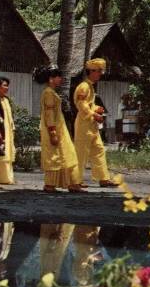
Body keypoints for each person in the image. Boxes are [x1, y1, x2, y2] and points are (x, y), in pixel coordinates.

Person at [36, 67, 83, 193]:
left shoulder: (51, 92)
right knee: (55, 156)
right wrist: (52, 132)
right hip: (54, 129)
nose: (61, 79)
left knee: (66, 154)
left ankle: (72, 183)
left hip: (59, 128)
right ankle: (50, 185)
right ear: (51, 79)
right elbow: (49, 113)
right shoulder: (48, 93)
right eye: (58, 76)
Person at [73, 58, 119, 188]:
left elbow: (88, 105)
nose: (100, 74)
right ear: (91, 71)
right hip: (83, 124)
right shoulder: (84, 87)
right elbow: (81, 105)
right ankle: (75, 181)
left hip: (91, 125)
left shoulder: (90, 87)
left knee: (98, 149)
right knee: (81, 153)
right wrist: (94, 114)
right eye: (98, 71)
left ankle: (103, 178)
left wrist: (96, 109)